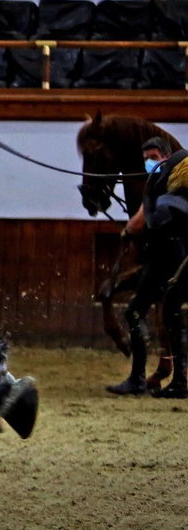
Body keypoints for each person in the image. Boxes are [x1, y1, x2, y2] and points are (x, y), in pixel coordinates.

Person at [108, 136, 188, 397]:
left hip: (168, 255)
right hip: (171, 253)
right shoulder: (170, 180)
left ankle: (143, 380)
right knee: (168, 313)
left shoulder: (164, 179)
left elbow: (143, 220)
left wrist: (128, 230)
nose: (149, 163)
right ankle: (175, 380)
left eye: (153, 157)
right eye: (145, 159)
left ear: (166, 155)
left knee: (141, 313)